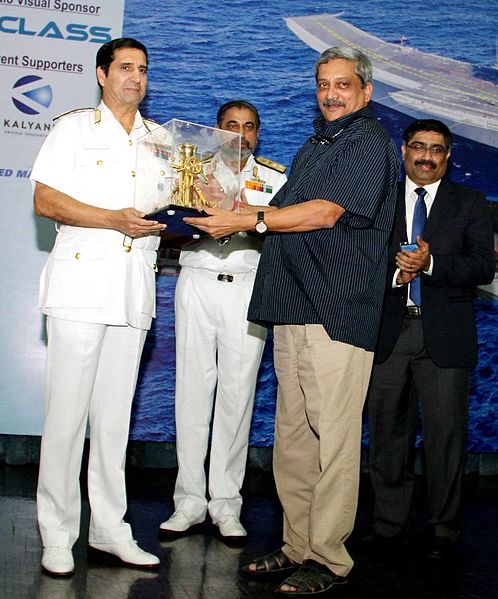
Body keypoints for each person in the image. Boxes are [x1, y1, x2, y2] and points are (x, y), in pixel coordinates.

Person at [184, 48, 399, 595]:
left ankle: (328, 558)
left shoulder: (369, 142)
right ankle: (297, 545)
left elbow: (325, 212)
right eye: (324, 83)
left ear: (365, 92)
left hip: (337, 311)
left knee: (333, 441)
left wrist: (247, 217)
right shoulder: (315, 144)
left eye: (343, 85)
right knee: (295, 438)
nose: (331, 93)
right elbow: (275, 209)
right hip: (294, 306)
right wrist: (221, 200)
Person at [32, 38, 165, 577]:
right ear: (101, 73)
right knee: (66, 418)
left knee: (114, 421)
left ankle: (111, 529)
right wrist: (113, 218)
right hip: (81, 286)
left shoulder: (162, 141)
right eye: (126, 68)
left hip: (133, 289)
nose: (135, 77)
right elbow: (45, 200)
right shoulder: (73, 129)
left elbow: (174, 207)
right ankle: (58, 532)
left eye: (143, 70)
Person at [366, 119, 495, 559]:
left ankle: (443, 526)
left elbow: (483, 266)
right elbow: (359, 259)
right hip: (388, 331)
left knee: (445, 437)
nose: (426, 156)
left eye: (436, 149)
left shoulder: (471, 202)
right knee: (387, 434)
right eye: (418, 147)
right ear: (404, 150)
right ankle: (388, 523)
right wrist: (396, 272)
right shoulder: (379, 199)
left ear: (448, 155)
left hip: (445, 335)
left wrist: (431, 264)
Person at [159, 100, 287, 541]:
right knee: (191, 392)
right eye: (232, 126)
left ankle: (227, 504)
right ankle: (188, 501)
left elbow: (284, 235)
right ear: (216, 130)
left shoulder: (275, 178)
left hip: (247, 287)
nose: (241, 134)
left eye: (249, 127)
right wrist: (190, 219)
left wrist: (248, 219)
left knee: (237, 395)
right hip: (196, 279)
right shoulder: (190, 170)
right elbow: (166, 228)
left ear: (258, 133)